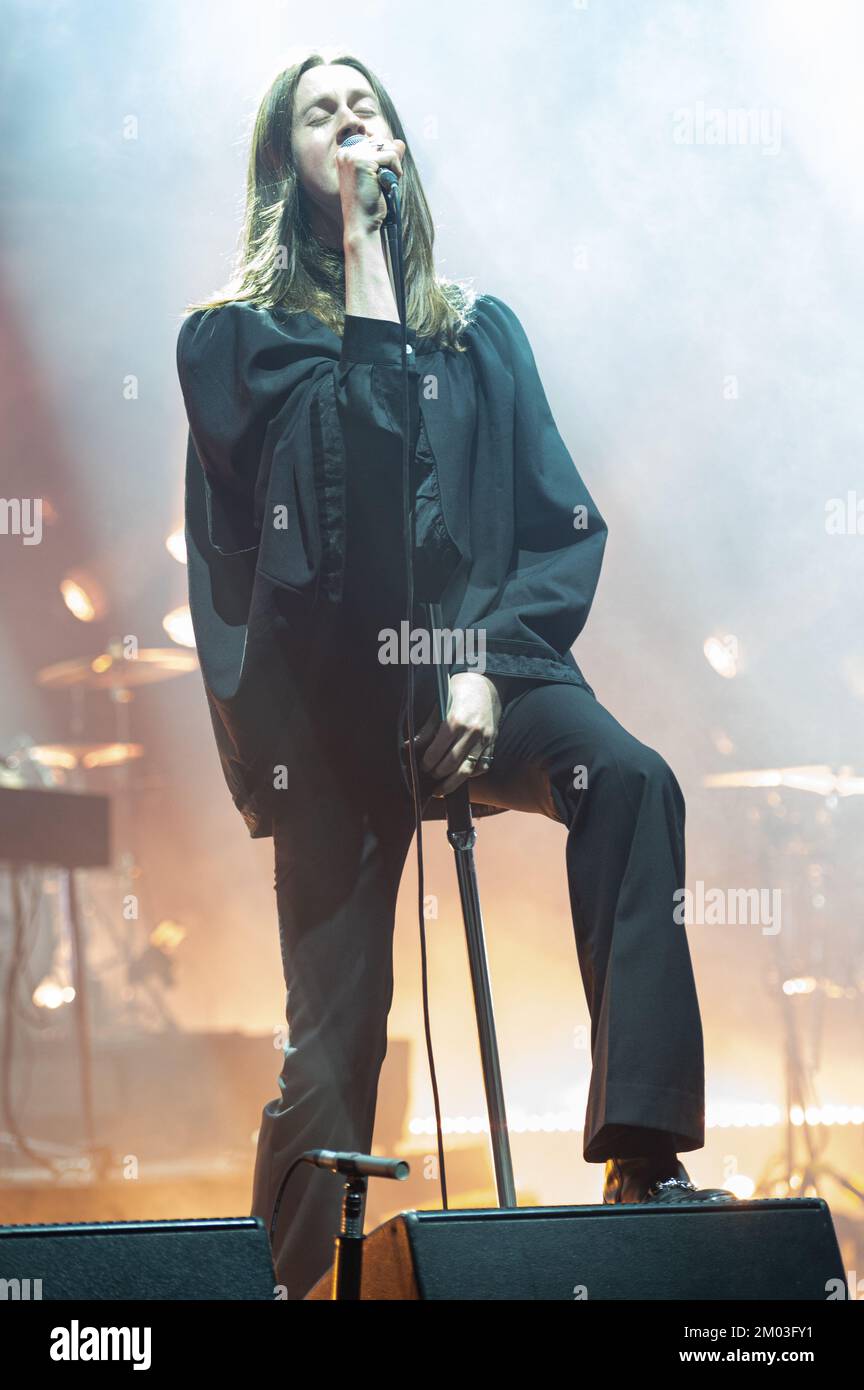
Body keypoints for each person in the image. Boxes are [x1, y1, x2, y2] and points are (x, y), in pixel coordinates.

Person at [176, 53, 736, 1301]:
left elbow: (561, 522)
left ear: (402, 142)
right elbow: (356, 488)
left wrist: (477, 663)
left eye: (365, 107)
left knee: (632, 780)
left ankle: (642, 1159)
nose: (350, 125)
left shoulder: (480, 334)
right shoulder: (238, 347)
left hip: (484, 672)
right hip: (330, 714)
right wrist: (367, 266)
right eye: (320, 115)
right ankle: (273, 1285)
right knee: (336, 1039)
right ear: (286, 167)